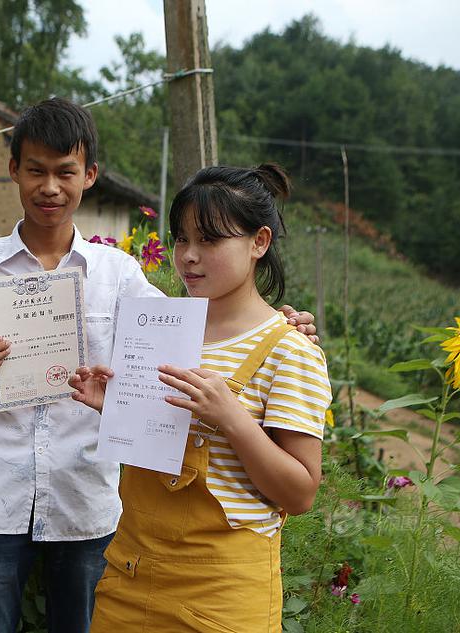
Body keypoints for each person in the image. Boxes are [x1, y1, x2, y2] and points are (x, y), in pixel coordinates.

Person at [0, 97, 317, 633]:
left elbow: (189, 331)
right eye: (36, 171)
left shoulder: (119, 273)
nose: (50, 187)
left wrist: (283, 326)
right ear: (13, 169)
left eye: (65, 172)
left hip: (87, 492)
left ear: (89, 175)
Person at [70, 164, 332, 632]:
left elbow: (300, 491)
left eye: (209, 240)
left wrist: (232, 418)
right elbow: (159, 447)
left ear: (259, 242)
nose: (189, 256)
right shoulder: (162, 331)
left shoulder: (289, 350)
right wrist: (117, 404)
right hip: (129, 578)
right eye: (180, 239)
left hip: (221, 598)